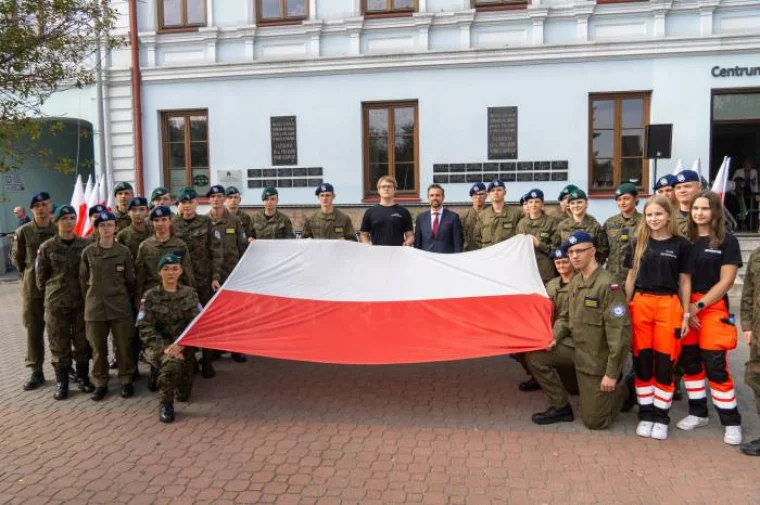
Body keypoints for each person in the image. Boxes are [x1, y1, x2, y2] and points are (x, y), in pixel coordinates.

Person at [528, 232, 630, 429]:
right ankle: (560, 406)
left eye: (579, 251)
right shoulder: (575, 282)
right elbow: (565, 317)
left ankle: (623, 392)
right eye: (571, 252)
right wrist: (554, 337)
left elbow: (620, 334)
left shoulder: (609, 285)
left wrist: (611, 373)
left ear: (592, 252)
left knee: (595, 422)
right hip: (575, 349)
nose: (574, 256)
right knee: (536, 355)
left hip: (596, 358)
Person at [673, 191, 743, 445]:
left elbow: (727, 281)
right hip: (687, 306)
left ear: (715, 211)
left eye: (705, 208)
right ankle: (698, 412)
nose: (699, 213)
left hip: (711, 307)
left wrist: (698, 306)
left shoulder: (727, 241)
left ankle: (731, 421)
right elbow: (682, 279)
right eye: (695, 208)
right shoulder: (685, 241)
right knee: (690, 361)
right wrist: (686, 308)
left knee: (715, 365)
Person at [625, 195, 692, 440]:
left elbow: (685, 281)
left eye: (658, 214)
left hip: (669, 305)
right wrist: (625, 307)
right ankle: (645, 413)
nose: (653, 219)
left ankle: (661, 416)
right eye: (649, 215)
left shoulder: (681, 245)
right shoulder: (638, 242)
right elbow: (631, 277)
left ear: (668, 216)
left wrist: (686, 314)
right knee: (642, 360)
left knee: (665, 361)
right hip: (641, 303)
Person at [35, 205, 94, 399]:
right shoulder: (47, 247)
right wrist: (53, 294)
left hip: (80, 303)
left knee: (82, 342)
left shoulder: (85, 245)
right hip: (56, 304)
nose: (69, 222)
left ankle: (84, 377)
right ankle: (62, 383)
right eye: (64, 218)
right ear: (56, 221)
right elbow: (40, 278)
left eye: (71, 218)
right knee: (59, 344)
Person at [137, 254, 201, 423]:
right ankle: (165, 403)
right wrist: (166, 348)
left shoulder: (190, 293)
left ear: (180, 271)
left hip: (183, 346)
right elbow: (144, 327)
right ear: (159, 273)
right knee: (172, 364)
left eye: (174, 269)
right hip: (159, 346)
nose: (170, 273)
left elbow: (198, 323)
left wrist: (181, 345)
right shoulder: (150, 296)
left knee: (184, 395)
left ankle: (164, 373)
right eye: (166, 269)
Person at [81, 211, 137, 401]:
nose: (106, 228)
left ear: (116, 228)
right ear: (97, 229)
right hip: (95, 306)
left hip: (119, 306)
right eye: (102, 225)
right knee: (98, 348)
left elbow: (130, 280)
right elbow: (82, 281)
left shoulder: (124, 252)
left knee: (123, 345)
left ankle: (126, 380)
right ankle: (100, 382)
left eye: (110, 225)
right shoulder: (88, 252)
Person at [172, 187, 222, 378]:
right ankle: (190, 361)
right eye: (183, 202)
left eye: (191, 201)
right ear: (179, 204)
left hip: (204, 281)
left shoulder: (206, 222)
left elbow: (215, 251)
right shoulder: (173, 225)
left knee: (205, 321)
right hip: (181, 282)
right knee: (184, 322)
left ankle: (207, 360)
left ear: (196, 203)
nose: (187, 205)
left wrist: (215, 277)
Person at [12, 192, 57, 390]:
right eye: (37, 205)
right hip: (32, 290)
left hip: (57, 288)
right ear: (32, 209)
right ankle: (36, 371)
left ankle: (63, 368)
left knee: (60, 330)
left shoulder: (58, 229)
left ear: (50, 206)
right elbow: (17, 261)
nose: (41, 208)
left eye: (44, 204)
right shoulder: (23, 232)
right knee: (33, 330)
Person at [207, 184, 249, 364]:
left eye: (219, 196)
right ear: (209, 200)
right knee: (214, 313)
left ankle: (236, 348)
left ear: (224, 199)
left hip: (232, 274)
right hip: (212, 275)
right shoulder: (204, 221)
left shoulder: (234, 221)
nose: (216, 200)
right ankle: (215, 348)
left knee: (234, 313)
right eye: (213, 197)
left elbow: (243, 247)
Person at [740, 243, 760, 456]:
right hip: (758, 331)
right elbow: (748, 291)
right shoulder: (757, 254)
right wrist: (747, 325)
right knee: (756, 379)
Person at [557, 189, 609, 265]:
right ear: (569, 206)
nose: (576, 206)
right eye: (572, 203)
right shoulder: (562, 226)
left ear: (586, 203)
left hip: (589, 270)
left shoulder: (595, 226)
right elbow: (557, 247)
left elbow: (603, 251)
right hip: (568, 270)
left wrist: (593, 266)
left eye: (579, 202)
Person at [516, 189, 557, 283]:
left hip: (544, 272)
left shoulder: (550, 222)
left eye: (537, 202)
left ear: (542, 204)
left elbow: (556, 249)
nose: (533, 205)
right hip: (526, 271)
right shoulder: (521, 224)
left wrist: (539, 245)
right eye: (530, 202)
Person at [604, 183, 642, 285]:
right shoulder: (610, 222)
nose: (622, 202)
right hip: (612, 276)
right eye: (619, 199)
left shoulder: (644, 222)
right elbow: (603, 250)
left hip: (636, 276)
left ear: (635, 198)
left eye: (626, 198)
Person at [360, 176, 414, 246]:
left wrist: (408, 242)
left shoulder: (403, 212)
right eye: (383, 186)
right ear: (378, 190)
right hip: (376, 253)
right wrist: (367, 244)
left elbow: (410, 235)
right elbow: (363, 234)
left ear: (395, 190)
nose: (386, 189)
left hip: (398, 253)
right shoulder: (370, 212)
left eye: (389, 186)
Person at [414, 184, 463, 253]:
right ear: (428, 198)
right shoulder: (421, 218)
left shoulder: (453, 217)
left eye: (437, 195)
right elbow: (417, 244)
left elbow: (458, 243)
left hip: (446, 260)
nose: (434, 198)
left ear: (443, 197)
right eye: (432, 195)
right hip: (426, 260)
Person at [474, 179, 521, 249]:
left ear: (505, 192)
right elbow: (477, 237)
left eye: (499, 190)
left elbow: (520, 237)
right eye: (492, 191)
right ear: (489, 194)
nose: (495, 193)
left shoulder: (516, 214)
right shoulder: (483, 215)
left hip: (508, 254)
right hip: (489, 255)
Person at [460, 182, 487, 252]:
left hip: (487, 253)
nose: (478, 197)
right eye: (475, 194)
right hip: (468, 254)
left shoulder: (491, 214)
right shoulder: (463, 217)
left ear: (486, 195)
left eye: (481, 194)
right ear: (471, 197)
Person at [673, 169, 700, 236]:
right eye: (678, 188)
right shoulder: (669, 216)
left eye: (687, 186)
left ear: (699, 188)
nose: (682, 191)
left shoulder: (709, 214)